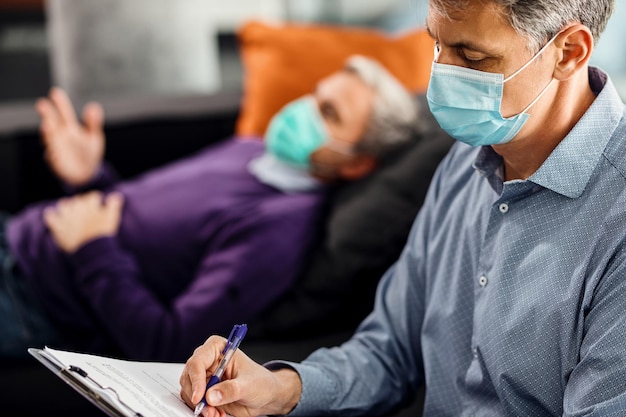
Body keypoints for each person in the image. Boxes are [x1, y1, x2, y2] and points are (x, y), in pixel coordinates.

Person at [180, 1, 626, 416]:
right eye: (437, 44)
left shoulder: (615, 222)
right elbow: (387, 352)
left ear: (568, 52)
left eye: (472, 58)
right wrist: (279, 390)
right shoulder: (464, 160)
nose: (442, 77)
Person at [0, 55, 420, 361]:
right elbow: (143, 234)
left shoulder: (277, 233)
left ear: (358, 162)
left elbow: (169, 342)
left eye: (329, 114)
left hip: (29, 299)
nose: (304, 111)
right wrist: (89, 178)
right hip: (16, 233)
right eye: (315, 96)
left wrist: (92, 249)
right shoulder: (251, 150)